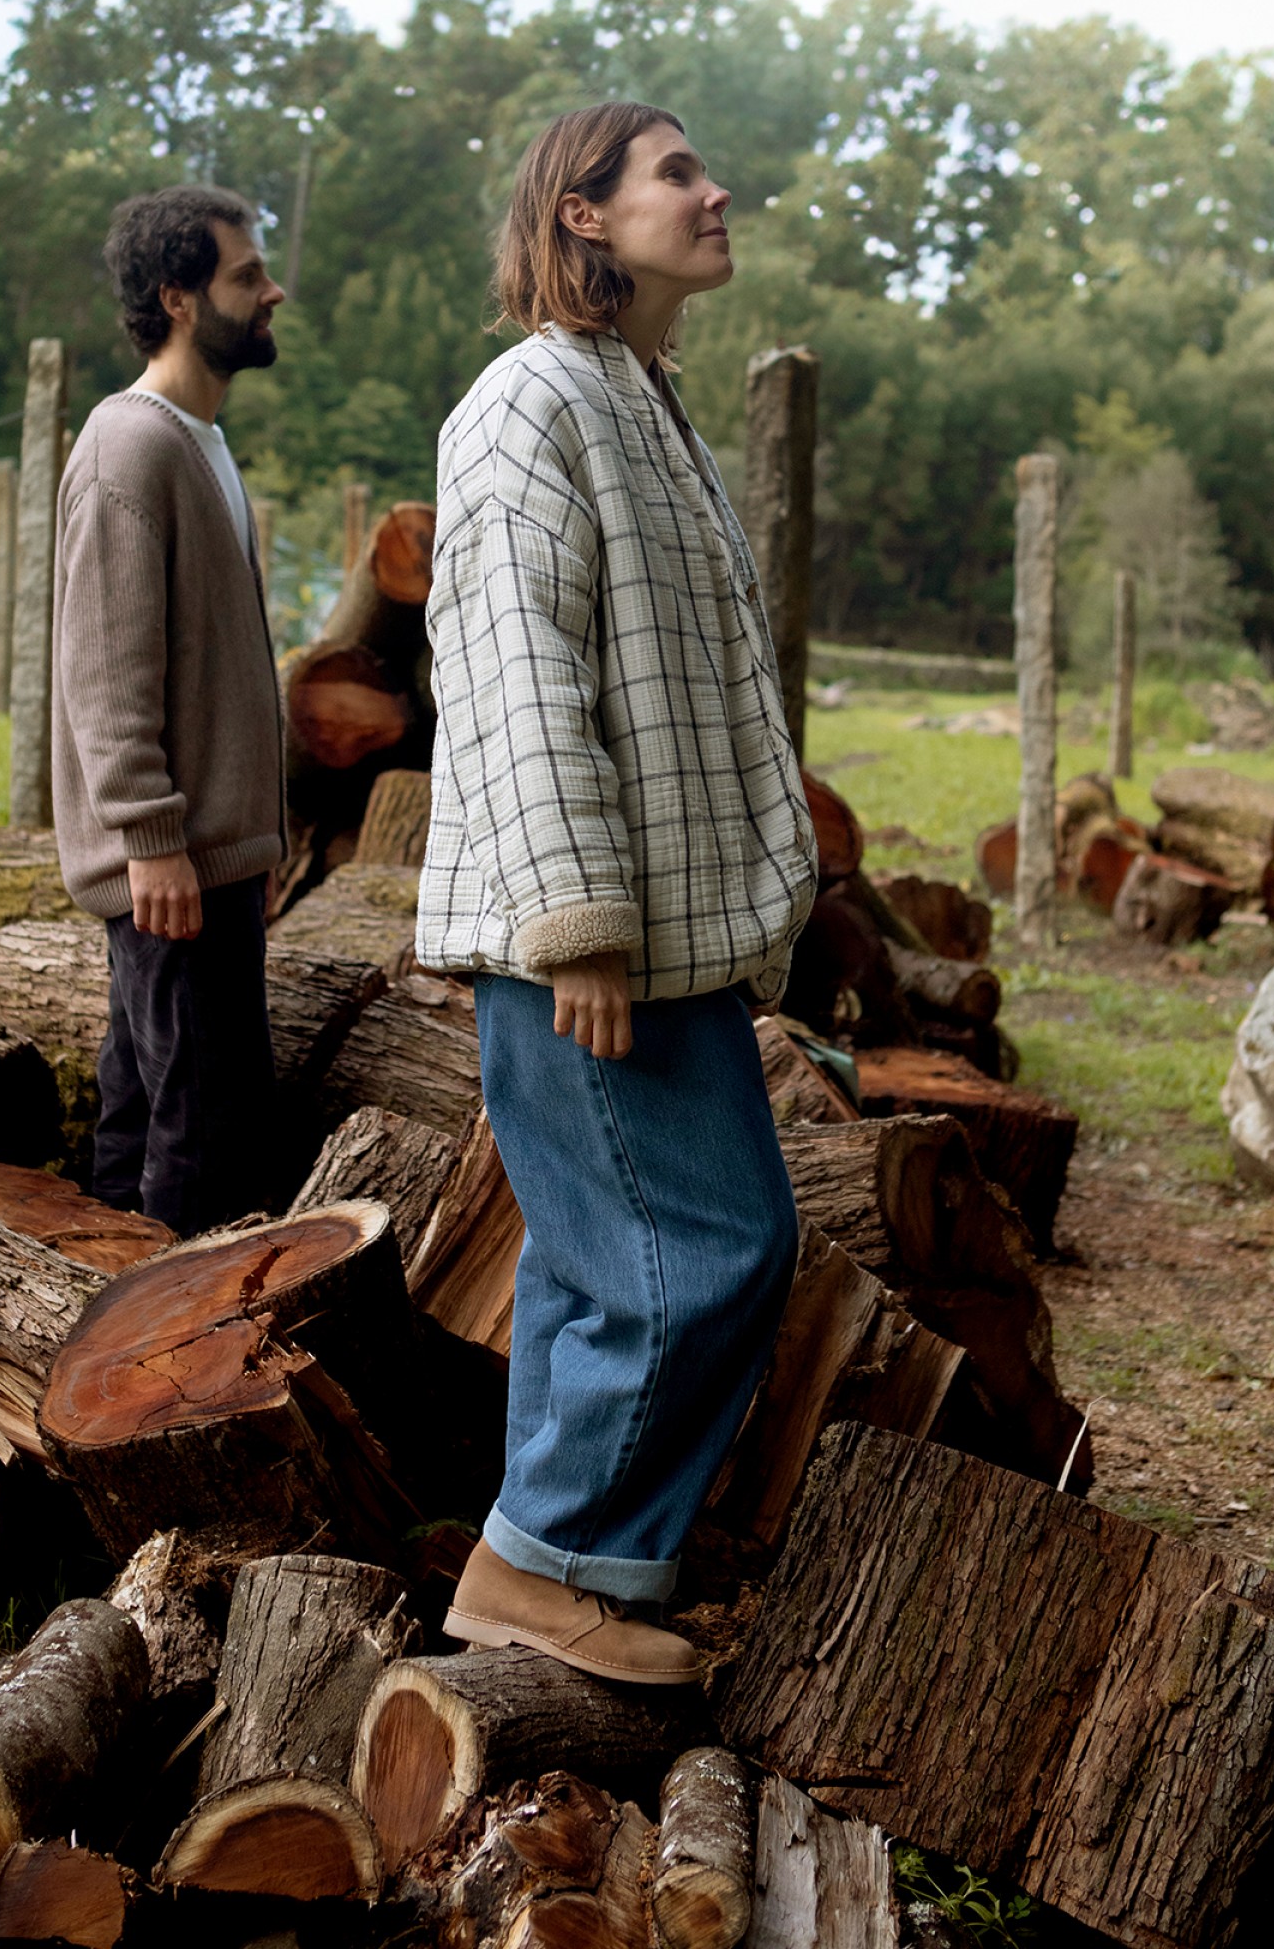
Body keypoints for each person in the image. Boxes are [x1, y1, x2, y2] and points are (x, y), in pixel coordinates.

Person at [421, 102, 819, 1686]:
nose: (717, 189)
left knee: (625, 1262)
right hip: (587, 941)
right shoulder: (528, 405)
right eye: (675, 173)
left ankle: (573, 1575)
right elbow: (517, 676)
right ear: (581, 217)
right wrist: (576, 919)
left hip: (659, 939)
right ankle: (541, 1564)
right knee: (702, 1253)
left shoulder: (638, 402)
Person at [51, 185, 288, 1233]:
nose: (271, 290)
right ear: (178, 298)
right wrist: (151, 838)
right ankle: (169, 1374)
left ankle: (98, 1302)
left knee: (145, 1110)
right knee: (203, 1129)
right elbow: (106, 667)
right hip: (168, 864)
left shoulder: (199, 442)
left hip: (205, 859)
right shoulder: (130, 448)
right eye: (246, 275)